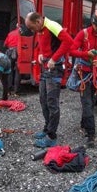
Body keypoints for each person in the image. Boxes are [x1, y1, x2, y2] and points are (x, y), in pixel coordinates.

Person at [24, 12, 73, 148]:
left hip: (55, 68)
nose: (32, 31)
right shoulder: (40, 30)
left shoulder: (52, 26)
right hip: (45, 68)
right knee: (43, 99)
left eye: (32, 28)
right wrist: (40, 54)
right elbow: (44, 45)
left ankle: (52, 137)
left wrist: (54, 58)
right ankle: (47, 129)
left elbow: (69, 41)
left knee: (52, 102)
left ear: (39, 21)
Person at [69, 9, 97, 148]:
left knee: (92, 103)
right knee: (87, 104)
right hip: (84, 75)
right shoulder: (83, 34)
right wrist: (85, 54)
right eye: (96, 25)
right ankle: (91, 134)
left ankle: (84, 124)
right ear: (92, 22)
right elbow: (72, 50)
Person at [3, 27, 20, 96]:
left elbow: (5, 44)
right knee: (18, 71)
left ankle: (9, 91)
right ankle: (16, 92)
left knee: (9, 71)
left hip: (10, 52)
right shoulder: (21, 33)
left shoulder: (10, 33)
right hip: (19, 52)